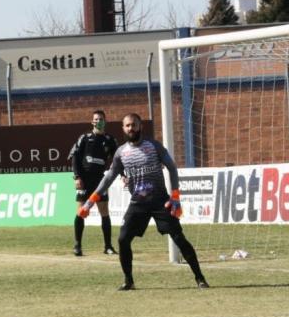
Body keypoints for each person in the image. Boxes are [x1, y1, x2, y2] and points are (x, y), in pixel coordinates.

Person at [78, 113, 209, 291]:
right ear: (123, 128)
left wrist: (175, 195)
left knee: (179, 238)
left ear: (140, 127)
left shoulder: (153, 146)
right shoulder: (121, 152)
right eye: (127, 126)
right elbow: (108, 178)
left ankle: (200, 278)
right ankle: (128, 281)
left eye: (134, 125)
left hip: (160, 201)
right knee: (123, 239)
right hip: (137, 203)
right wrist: (89, 202)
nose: (131, 128)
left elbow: (171, 167)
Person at [70, 110, 118, 256]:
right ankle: (77, 246)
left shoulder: (110, 140)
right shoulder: (84, 138)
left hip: (100, 182)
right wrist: (77, 177)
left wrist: (121, 174)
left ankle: (108, 246)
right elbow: (75, 158)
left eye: (101, 119)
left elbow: (118, 159)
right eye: (96, 119)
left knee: (104, 213)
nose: (98, 121)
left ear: (105, 121)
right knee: (81, 212)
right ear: (92, 122)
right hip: (84, 181)